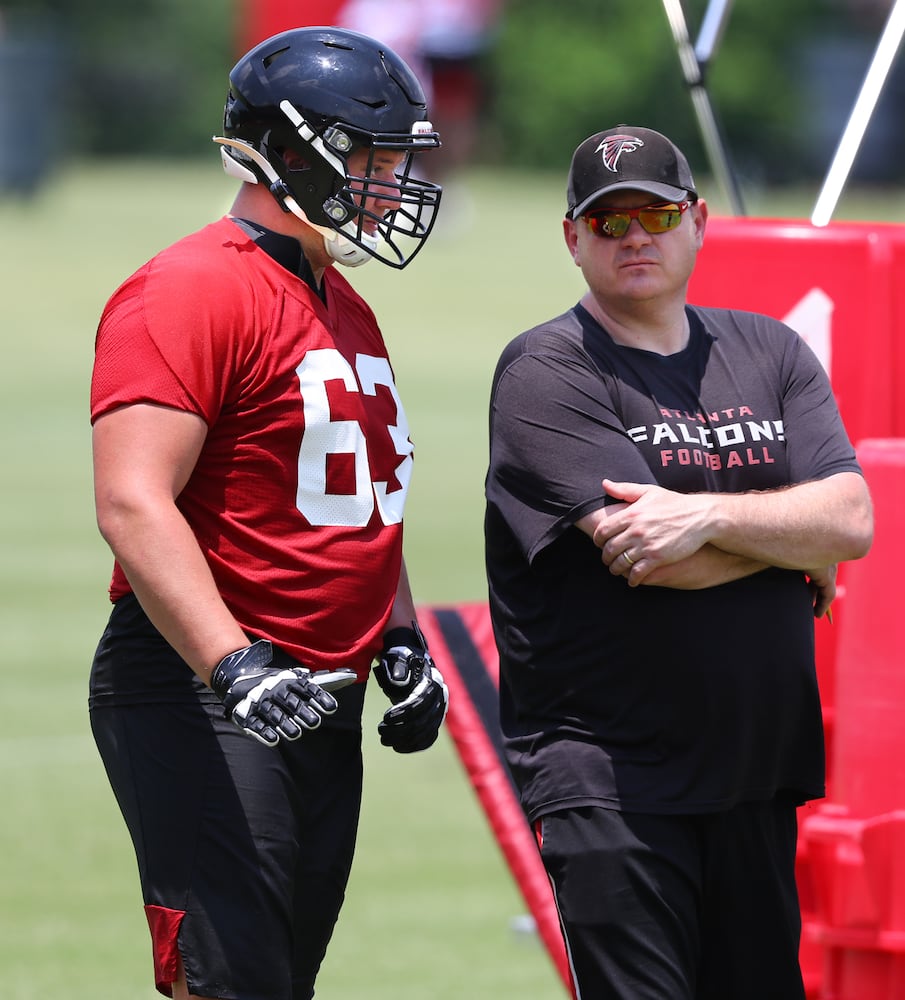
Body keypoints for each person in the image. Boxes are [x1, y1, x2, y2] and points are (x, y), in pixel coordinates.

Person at [89, 26, 449, 1000]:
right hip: (204, 684)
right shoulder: (194, 286)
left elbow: (362, 494)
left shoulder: (344, 303)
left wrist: (401, 640)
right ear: (292, 152)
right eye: (369, 159)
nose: (388, 185)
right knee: (230, 981)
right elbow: (132, 497)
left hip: (315, 696)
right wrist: (230, 659)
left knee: (280, 981)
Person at [484, 125, 874, 1000]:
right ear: (572, 238)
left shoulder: (770, 351)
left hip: (755, 771)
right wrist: (788, 550)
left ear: (697, 221)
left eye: (656, 214)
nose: (634, 237)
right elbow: (650, 559)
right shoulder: (547, 369)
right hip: (611, 783)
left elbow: (850, 519)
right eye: (608, 219)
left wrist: (705, 516)